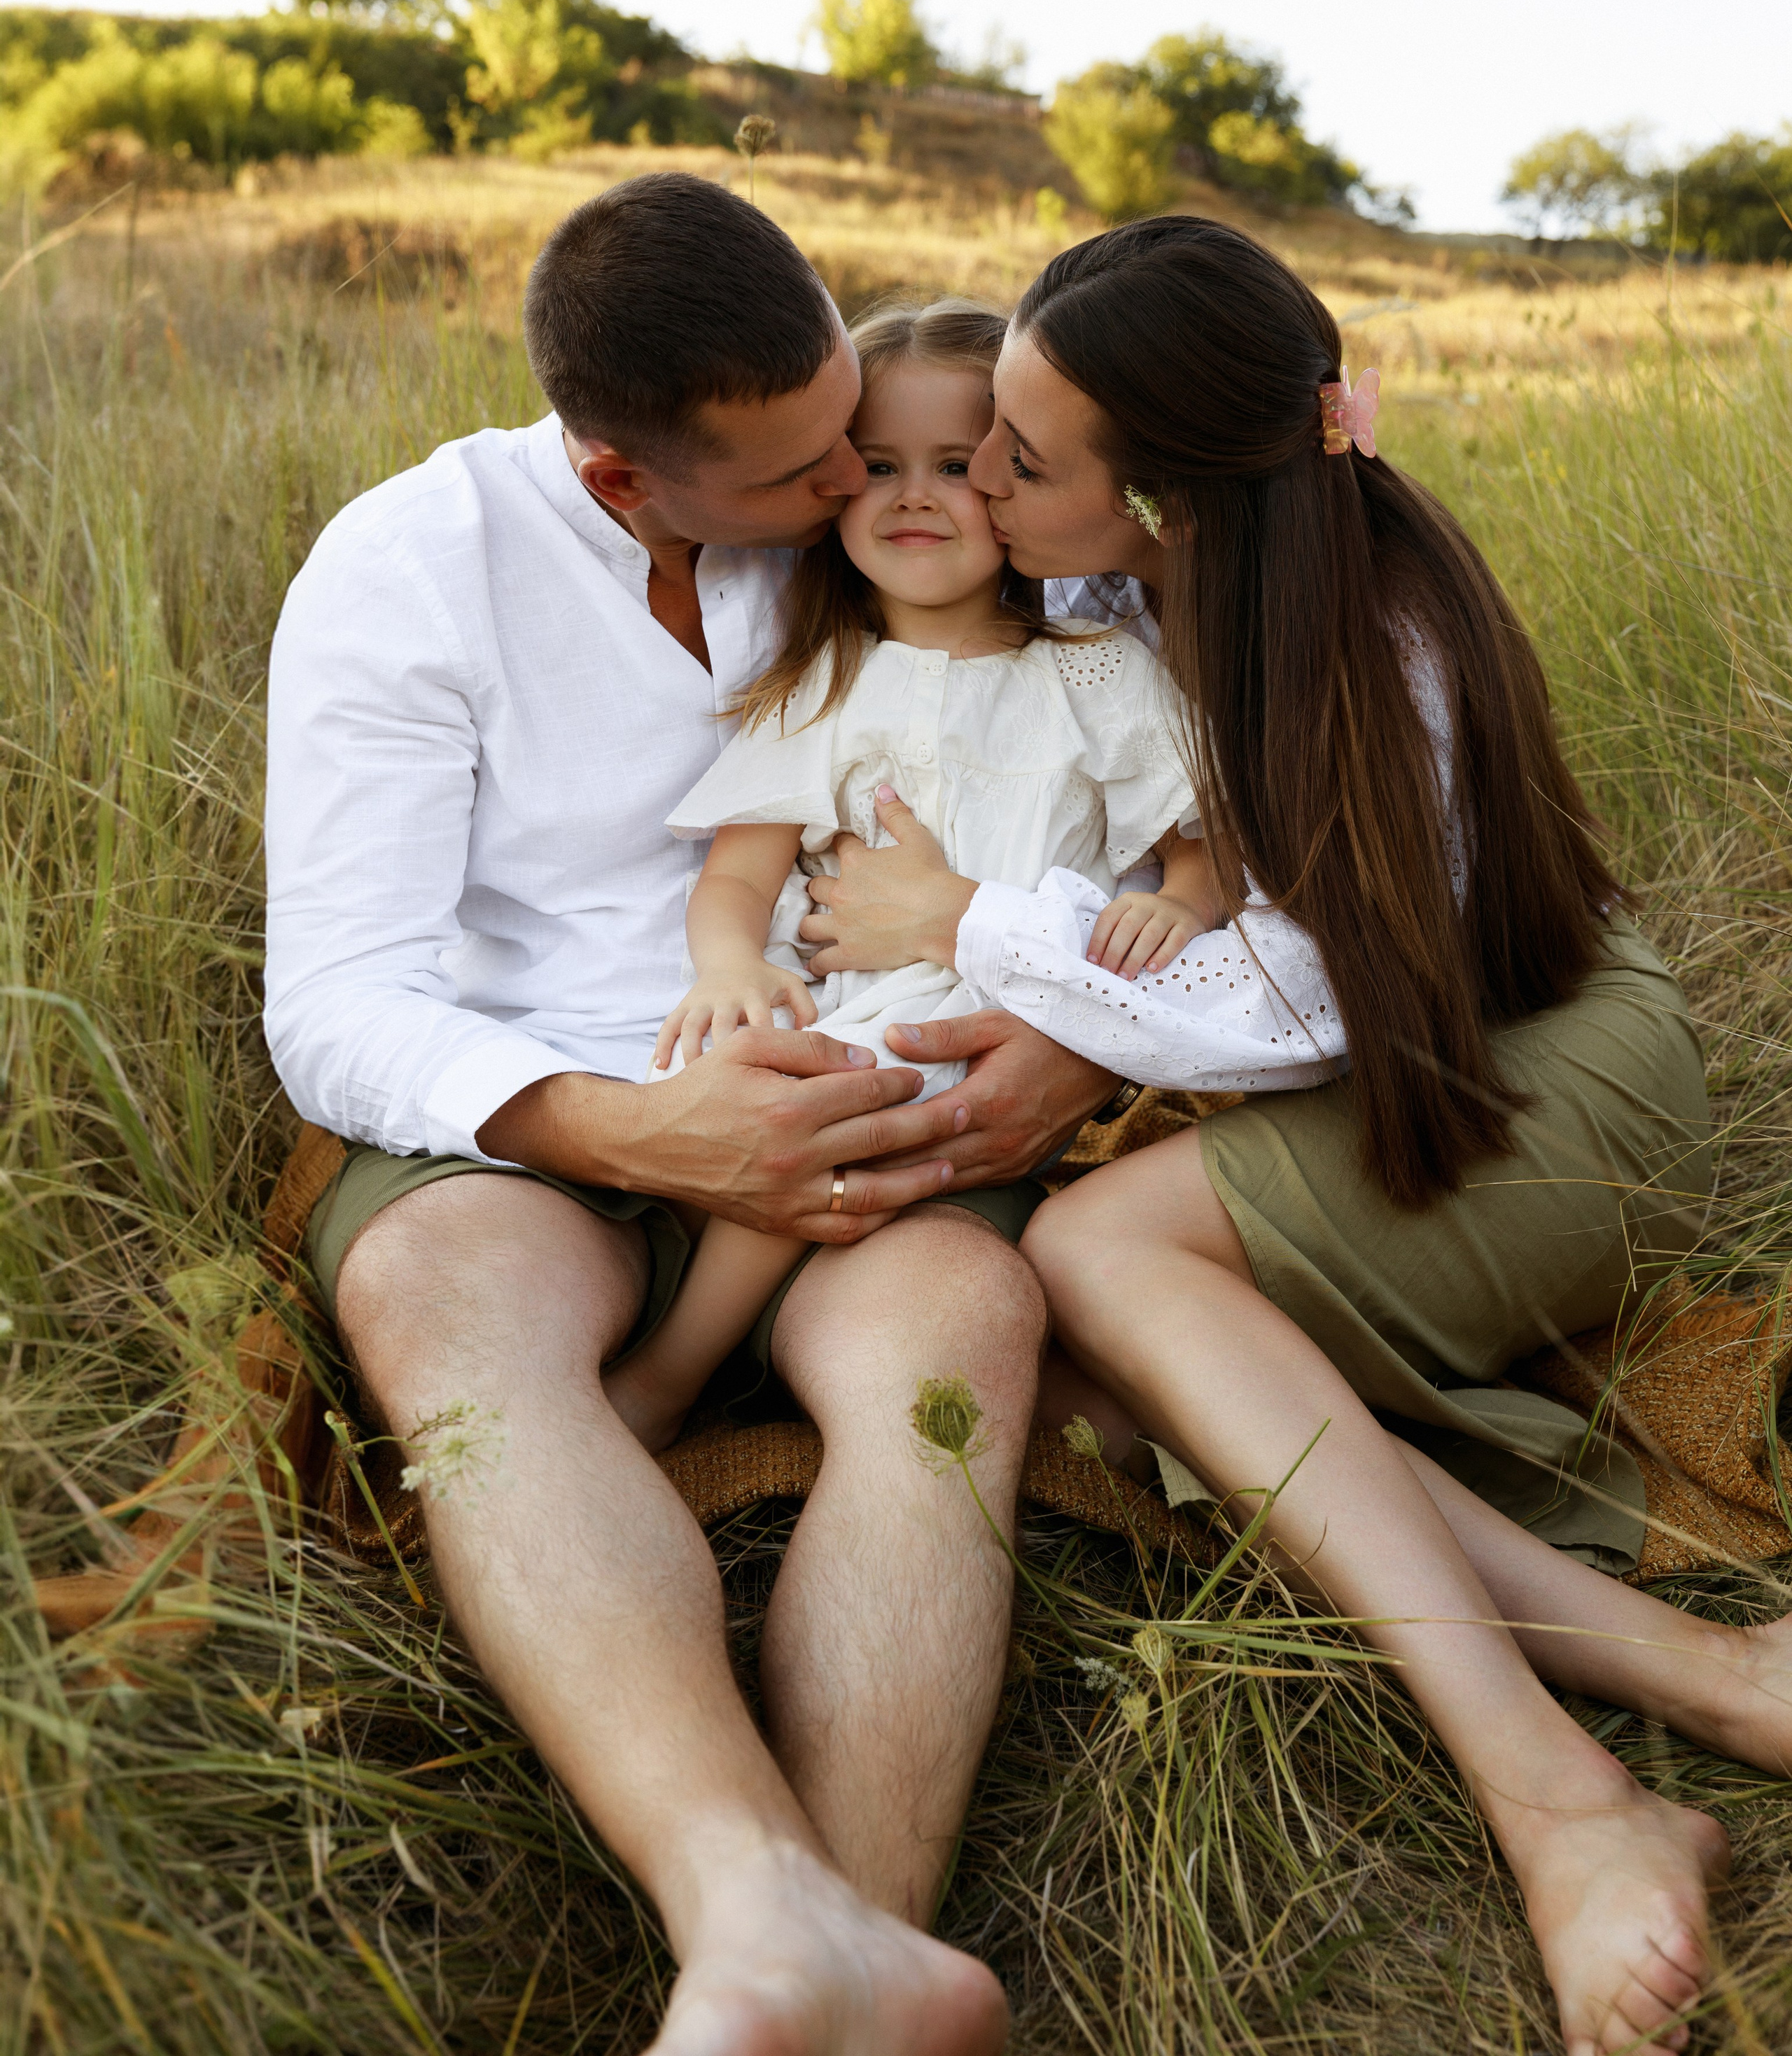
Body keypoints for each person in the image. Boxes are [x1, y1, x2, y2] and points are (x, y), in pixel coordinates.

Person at [801, 217, 1792, 2056]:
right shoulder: (1152, 580)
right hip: (1412, 1055)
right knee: (1117, 1372)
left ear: (1163, 496)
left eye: (1024, 456)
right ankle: (1705, 1675)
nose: (987, 478)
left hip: (1555, 1080)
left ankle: (1567, 1800)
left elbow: (1302, 1008)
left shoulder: (1369, 636)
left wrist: (977, 932)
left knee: (1097, 1264)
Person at [262, 173, 1125, 2055]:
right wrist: (623, 1131)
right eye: (802, 468)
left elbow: (1187, 682)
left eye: (859, 426)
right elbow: (335, 999)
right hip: (543, 1105)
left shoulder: (917, 498)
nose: (870, 485)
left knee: (962, 1333)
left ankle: (860, 1956)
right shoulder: (411, 572)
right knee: (439, 1309)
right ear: (621, 480)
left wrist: (1079, 1040)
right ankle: (752, 1907)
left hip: (876, 1067)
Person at [606, 298, 1217, 1453]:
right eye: (878, 465)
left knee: (850, 1099)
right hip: (853, 1004)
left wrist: (1178, 899)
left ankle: (672, 1372)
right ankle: (726, 1339)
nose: (914, 495)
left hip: (1015, 1009)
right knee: (779, 1083)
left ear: (1009, 477)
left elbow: (1195, 830)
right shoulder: (823, 680)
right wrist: (730, 964)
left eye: (954, 465)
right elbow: (740, 872)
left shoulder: (1093, 673)